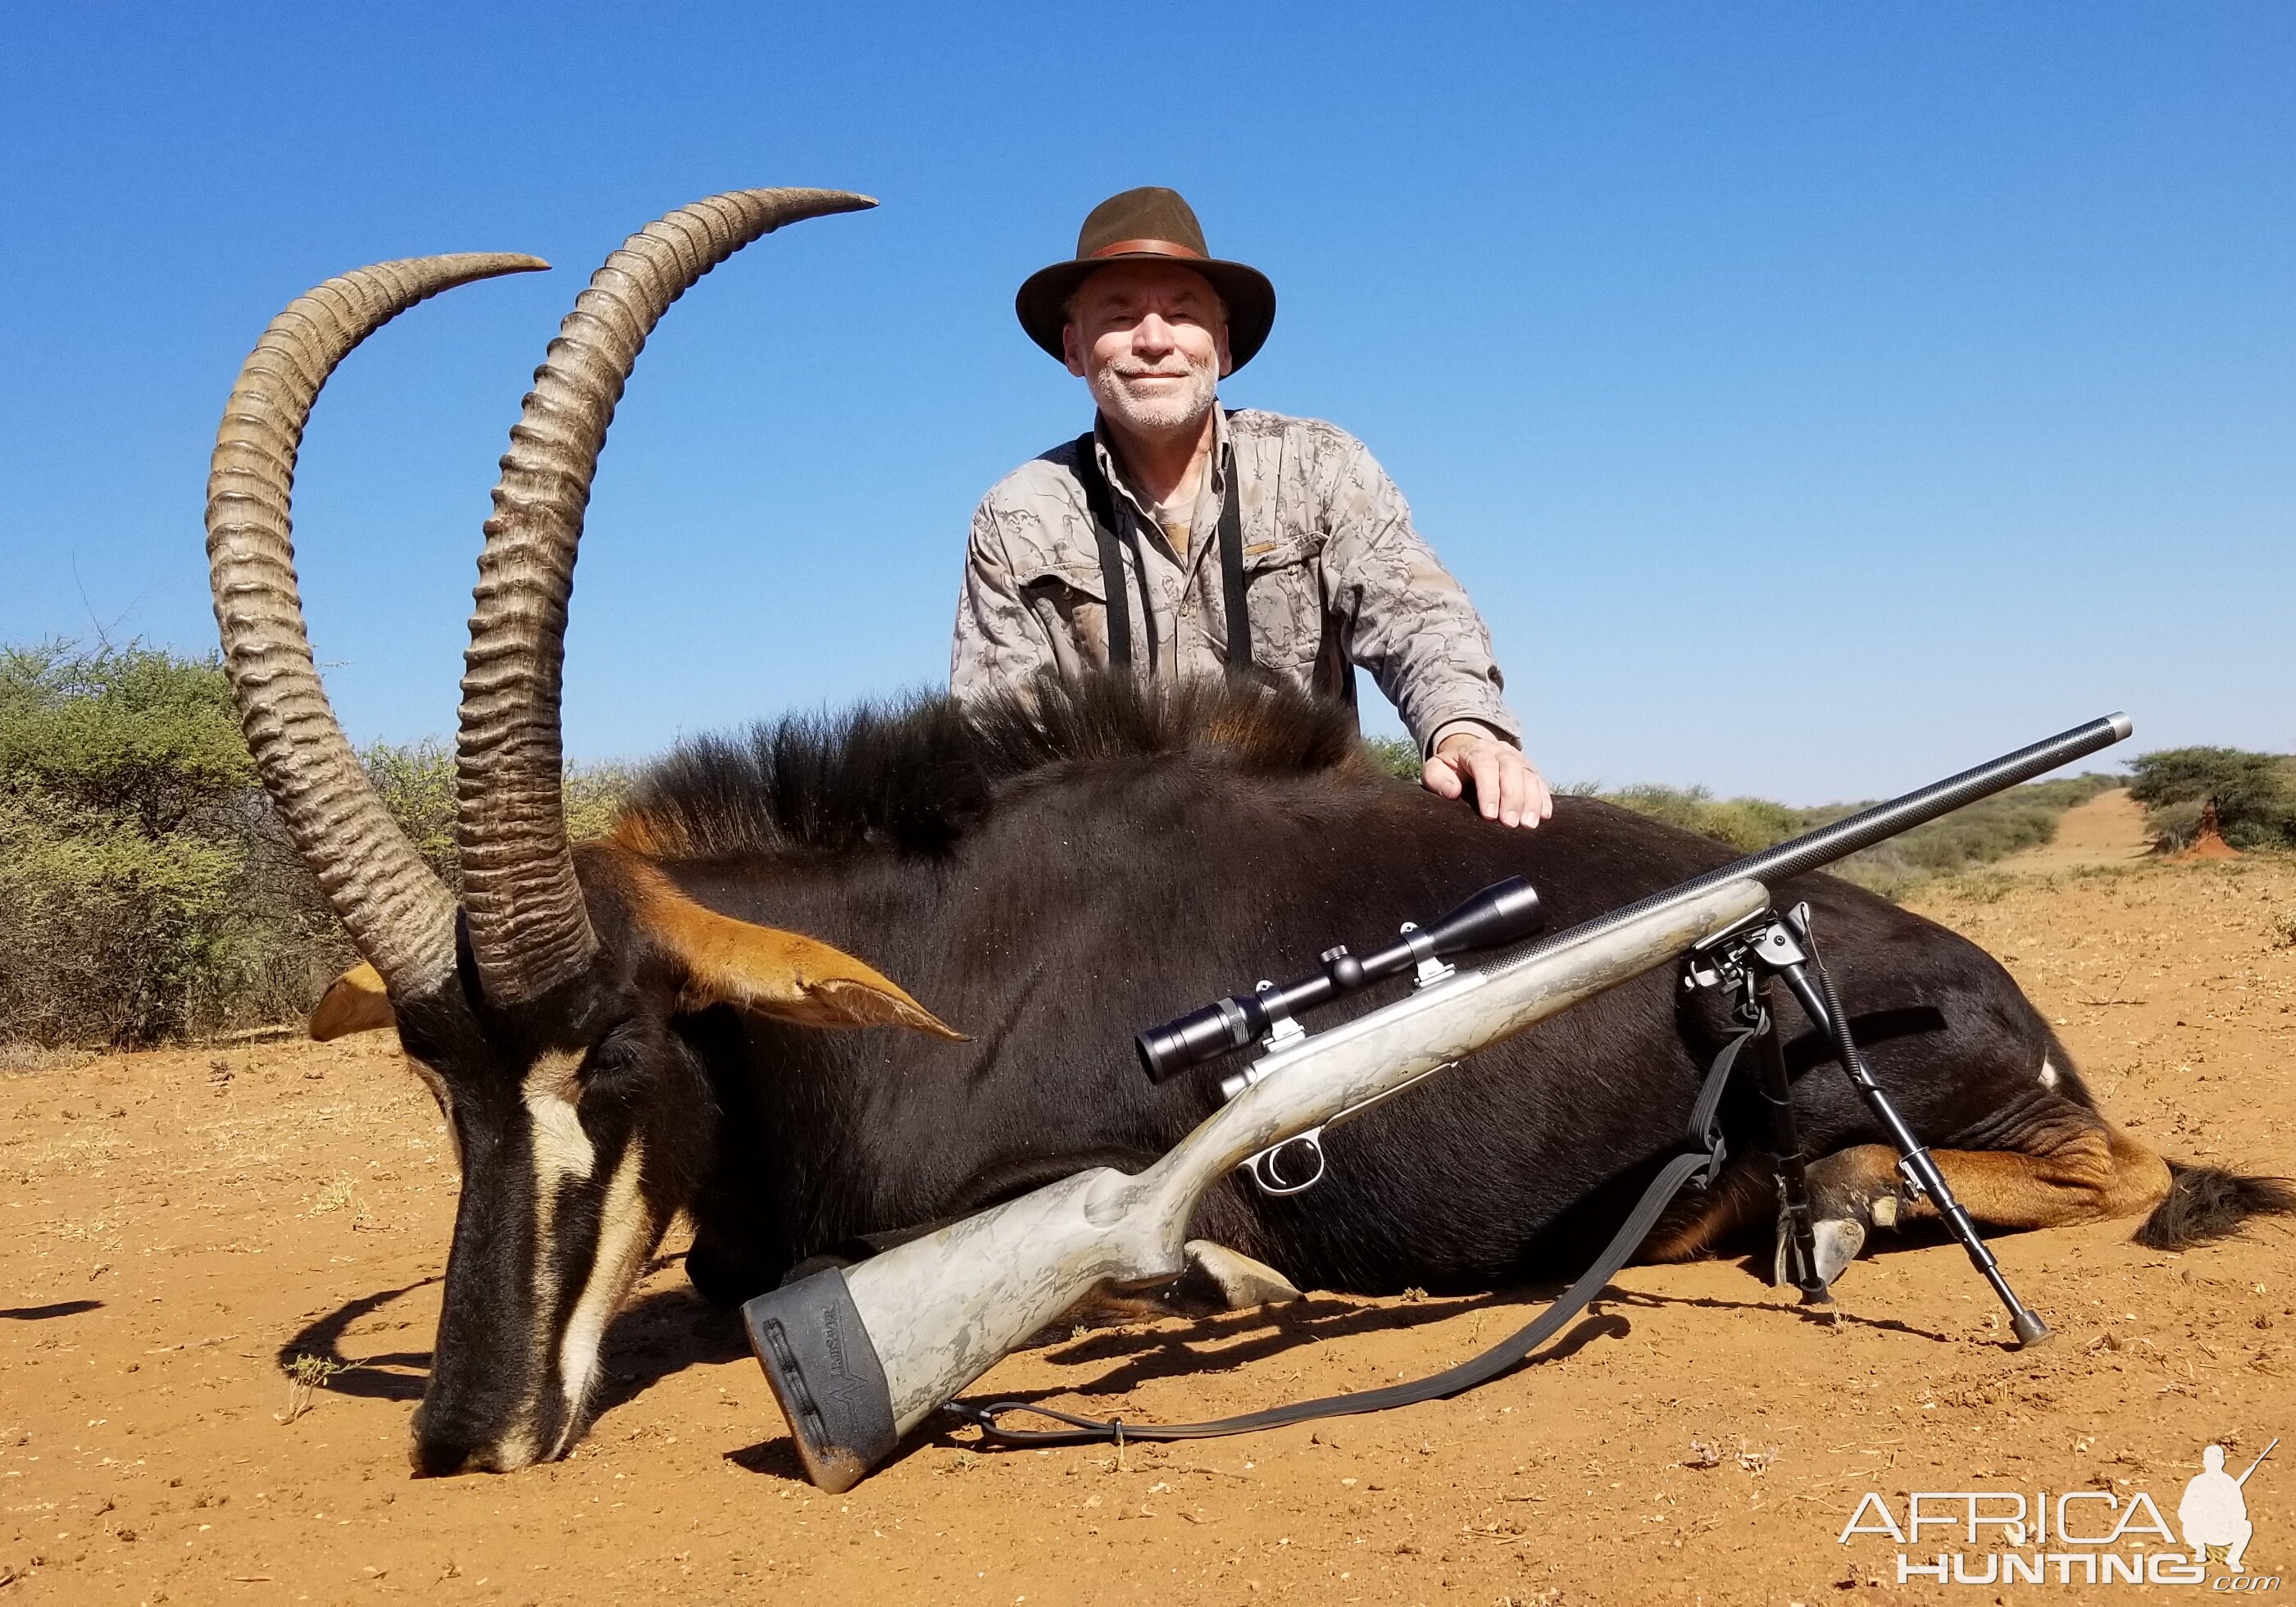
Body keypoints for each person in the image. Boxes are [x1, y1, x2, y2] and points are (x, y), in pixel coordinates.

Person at [950, 187, 1552, 829]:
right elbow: (998, 745)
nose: (1154, 341)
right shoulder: (1017, 516)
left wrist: (1463, 731)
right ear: (1074, 349)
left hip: (1307, 843)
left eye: (1182, 315)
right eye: (1119, 316)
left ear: (1223, 347)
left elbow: (1417, 616)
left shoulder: (1320, 465)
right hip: (1115, 870)